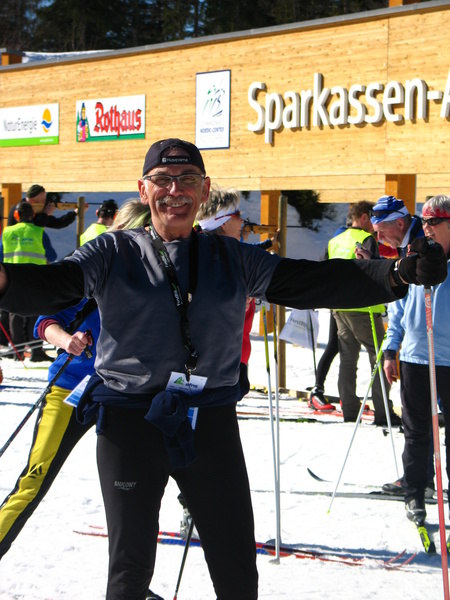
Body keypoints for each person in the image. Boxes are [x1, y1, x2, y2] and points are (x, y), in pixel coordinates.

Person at [0, 138, 445, 600]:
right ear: (143, 189)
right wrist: (6, 281)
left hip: (207, 420)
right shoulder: (113, 251)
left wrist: (397, 274)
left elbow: (310, 281)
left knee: (236, 572)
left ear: (204, 188)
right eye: (162, 180)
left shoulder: (230, 256)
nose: (175, 190)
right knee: (129, 572)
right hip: (129, 423)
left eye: (188, 179)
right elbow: (56, 285)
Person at [0, 199, 163, 600]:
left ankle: (131, 586)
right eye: (145, 234)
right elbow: (45, 321)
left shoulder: (164, 280)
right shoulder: (98, 268)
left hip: (125, 397)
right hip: (72, 388)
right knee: (34, 478)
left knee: (133, 492)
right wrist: (66, 339)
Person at [382, 195, 450, 522]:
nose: (428, 227)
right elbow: (397, 310)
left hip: (448, 360)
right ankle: (414, 493)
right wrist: (390, 349)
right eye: (424, 221)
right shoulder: (414, 255)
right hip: (414, 358)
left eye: (434, 221)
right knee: (416, 431)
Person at [328, 201, 401, 425]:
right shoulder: (366, 239)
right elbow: (374, 271)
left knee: (347, 359)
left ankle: (349, 410)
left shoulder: (335, 241)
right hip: (364, 306)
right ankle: (383, 412)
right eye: (372, 218)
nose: (375, 224)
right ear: (362, 217)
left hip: (340, 306)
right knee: (379, 357)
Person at [196, 185, 255, 397]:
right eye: (237, 215)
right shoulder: (205, 255)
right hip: (213, 361)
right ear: (222, 221)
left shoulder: (233, 254)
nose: (242, 221)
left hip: (233, 357)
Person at [0, 201, 56, 362]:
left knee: (15, 314)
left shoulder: (7, 232)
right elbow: (51, 255)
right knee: (34, 314)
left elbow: (0, 255)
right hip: (35, 277)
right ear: (32, 215)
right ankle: (36, 350)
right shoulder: (39, 232)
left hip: (12, 277)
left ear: (16, 216)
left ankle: (17, 352)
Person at [7, 184, 79, 230]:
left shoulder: (36, 209)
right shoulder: (20, 210)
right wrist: (46, 214)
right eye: (43, 200)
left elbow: (58, 223)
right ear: (32, 201)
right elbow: (34, 227)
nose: (45, 203)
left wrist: (74, 213)